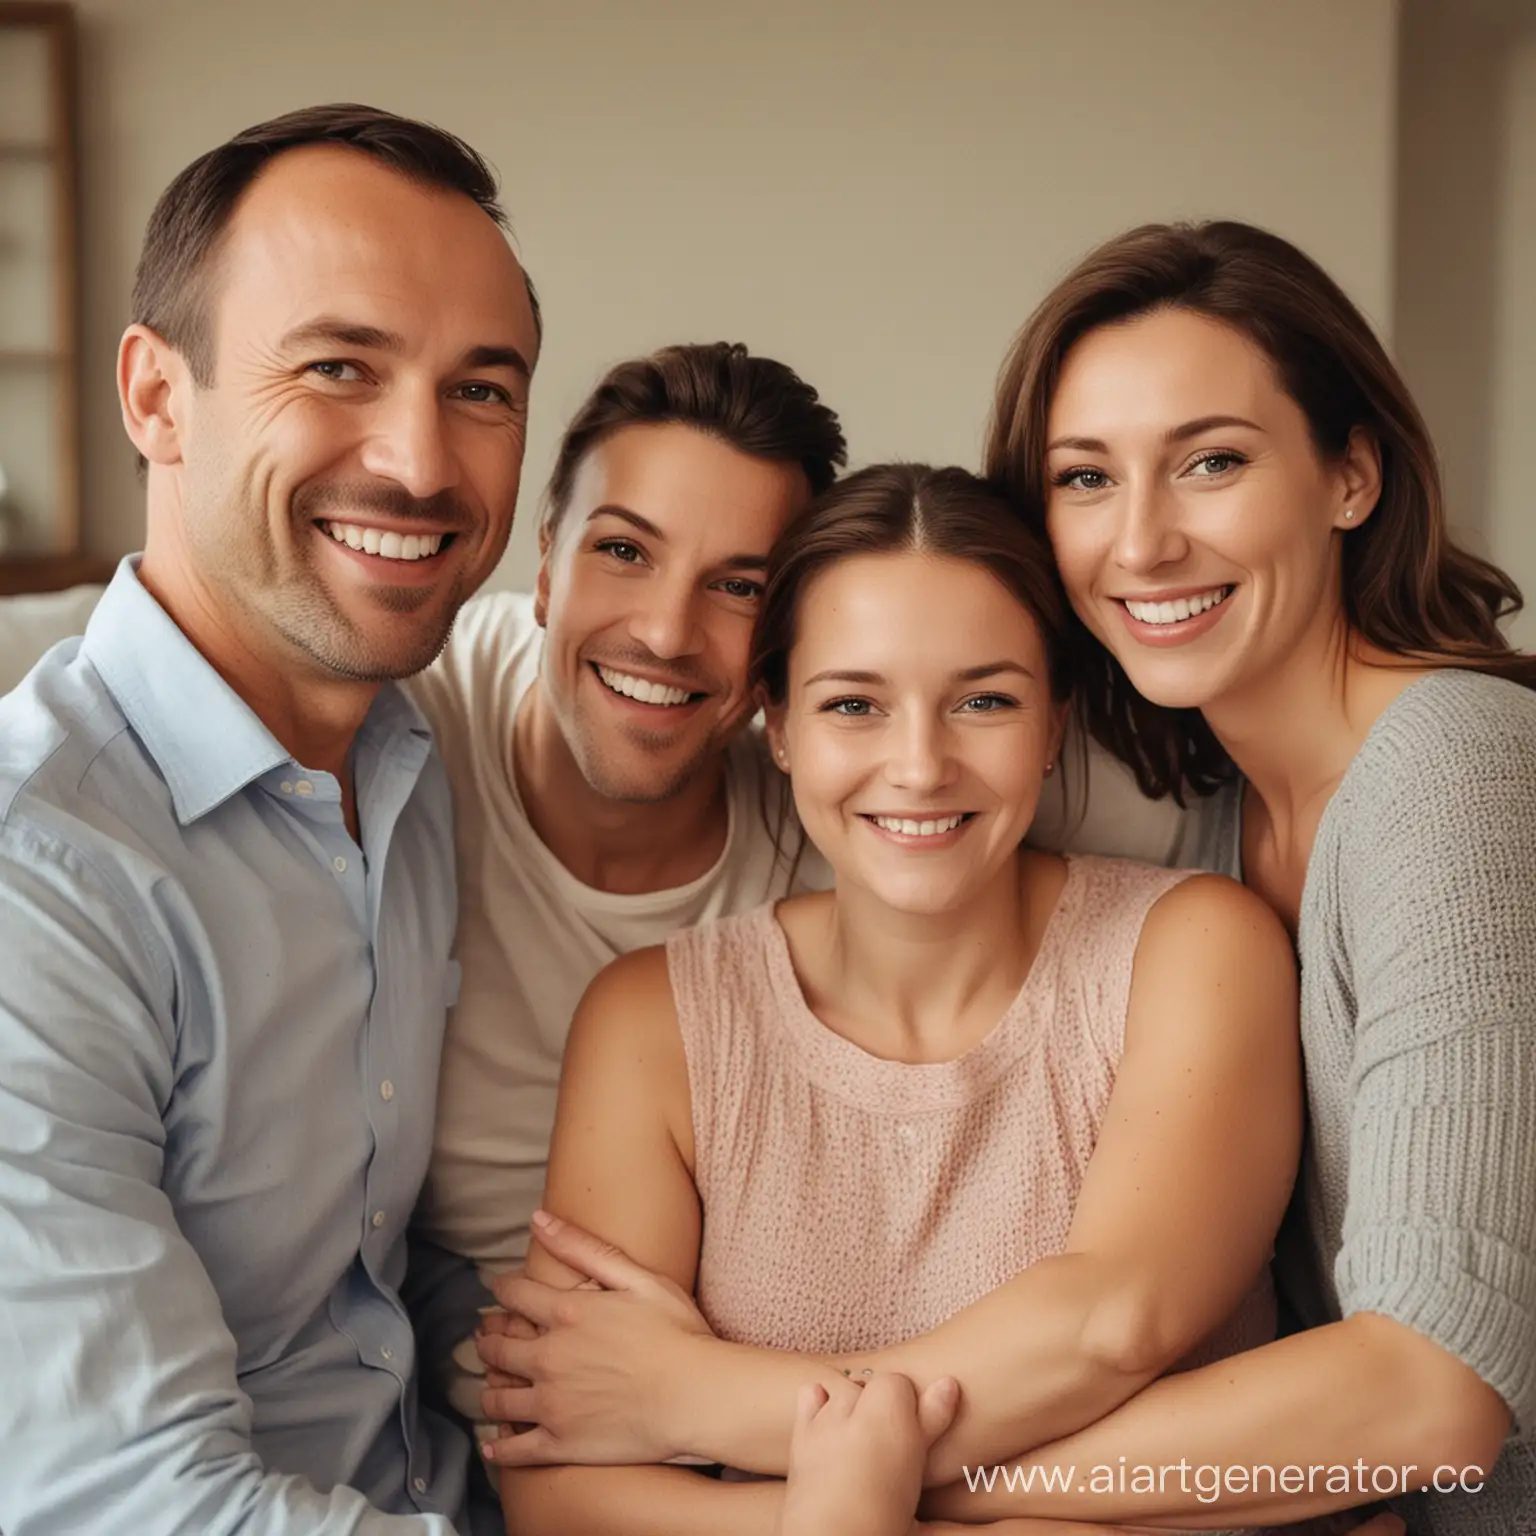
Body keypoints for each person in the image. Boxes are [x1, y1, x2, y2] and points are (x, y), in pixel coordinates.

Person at [488, 463, 1305, 1534]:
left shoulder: (1193, 951)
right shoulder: (654, 1026)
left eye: (984, 701)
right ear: (776, 724)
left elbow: (1114, 1323)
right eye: (854, 705)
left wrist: (687, 1400)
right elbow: (560, 1492)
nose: (920, 766)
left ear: (1056, 720)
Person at [918, 219, 1536, 1532]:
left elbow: (1437, 1387)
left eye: (1210, 462)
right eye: (1084, 479)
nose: (1139, 545)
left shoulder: (1458, 764)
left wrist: (926, 1490)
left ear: (1351, 475)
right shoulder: (1210, 816)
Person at [0, 104, 539, 1534]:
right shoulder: (34, 875)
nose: (423, 464)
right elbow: (120, 1503)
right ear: (157, 398)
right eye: (339, 367)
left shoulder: (414, 755)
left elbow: (362, 1272)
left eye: (483, 389)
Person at [403, 341, 846, 1422]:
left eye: (738, 586)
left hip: (760, 1421)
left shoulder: (852, 809)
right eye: (624, 551)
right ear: (546, 564)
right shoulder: (402, 725)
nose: (664, 632)